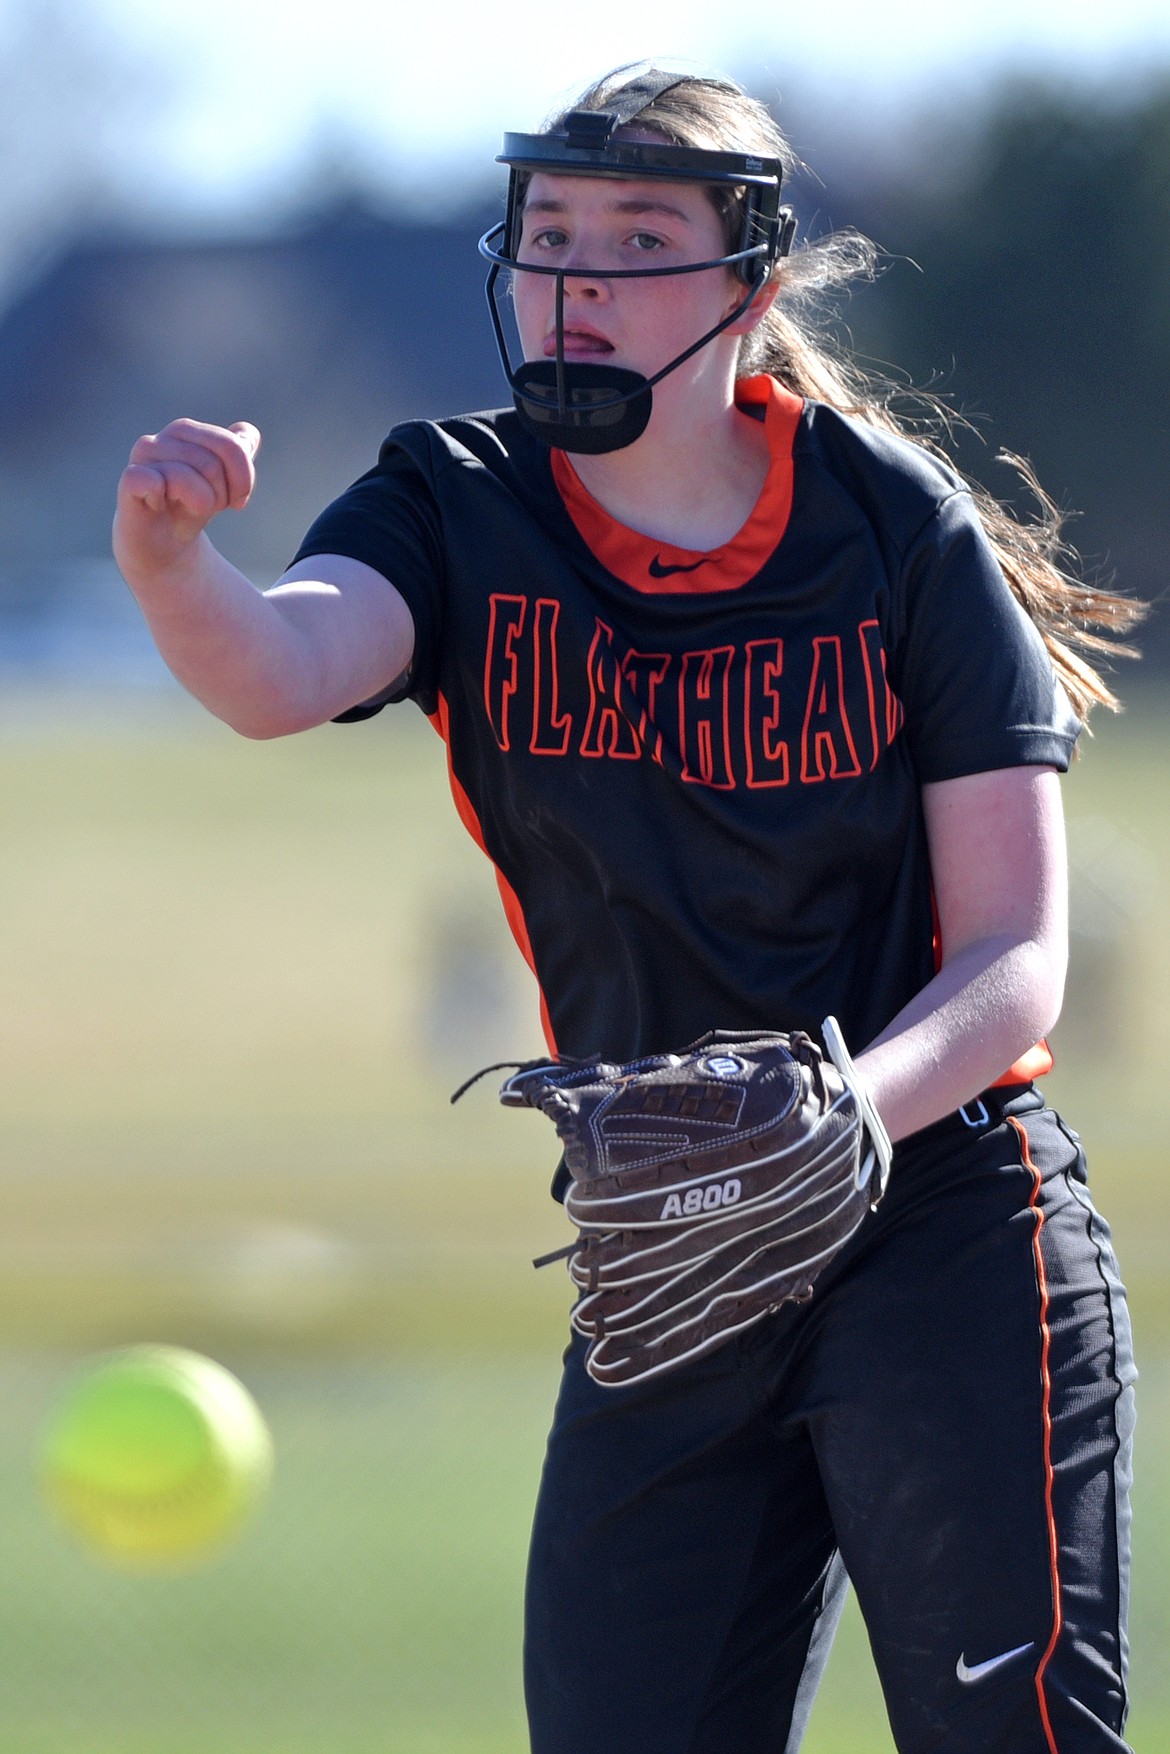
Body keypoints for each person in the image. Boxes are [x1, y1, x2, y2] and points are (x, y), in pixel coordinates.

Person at [113, 64, 1141, 1754]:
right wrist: (171, 566)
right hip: (668, 1247)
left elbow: (1015, 958)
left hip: (942, 1217)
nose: (576, 280)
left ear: (750, 278)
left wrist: (837, 1121)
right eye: (548, 237)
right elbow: (284, 664)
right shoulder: (456, 501)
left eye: (636, 239)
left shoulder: (893, 529)